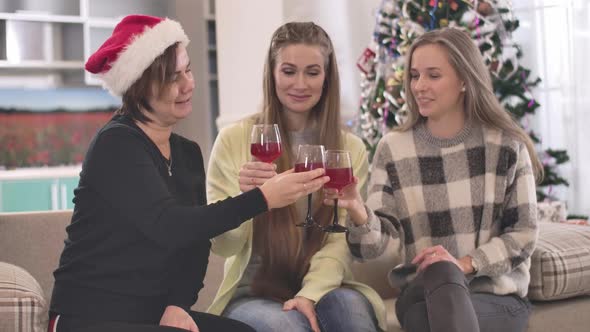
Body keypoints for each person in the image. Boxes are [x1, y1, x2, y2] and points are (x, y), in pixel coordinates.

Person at [48, 15, 329, 332]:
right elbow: (170, 225)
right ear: (139, 86)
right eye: (172, 78)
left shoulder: (186, 152)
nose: (187, 85)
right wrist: (262, 198)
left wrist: (178, 305)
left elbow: (196, 244)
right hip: (90, 315)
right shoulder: (117, 143)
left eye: (188, 70)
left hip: (151, 314)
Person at [325, 27, 542, 332]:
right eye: (414, 75)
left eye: (433, 75)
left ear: (465, 80)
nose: (419, 86)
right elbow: (371, 249)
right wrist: (358, 211)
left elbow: (524, 235)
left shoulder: (505, 146)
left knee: (436, 309)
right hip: (421, 294)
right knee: (438, 276)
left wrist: (464, 263)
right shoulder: (394, 148)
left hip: (493, 297)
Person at [206, 22, 387, 332]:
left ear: (327, 77)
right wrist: (245, 201)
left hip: (329, 285)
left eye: (313, 72)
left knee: (352, 319)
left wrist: (310, 295)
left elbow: (338, 242)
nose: (300, 84)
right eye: (289, 71)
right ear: (272, 74)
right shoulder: (233, 140)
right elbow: (224, 246)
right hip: (253, 293)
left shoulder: (349, 148)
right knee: (286, 327)